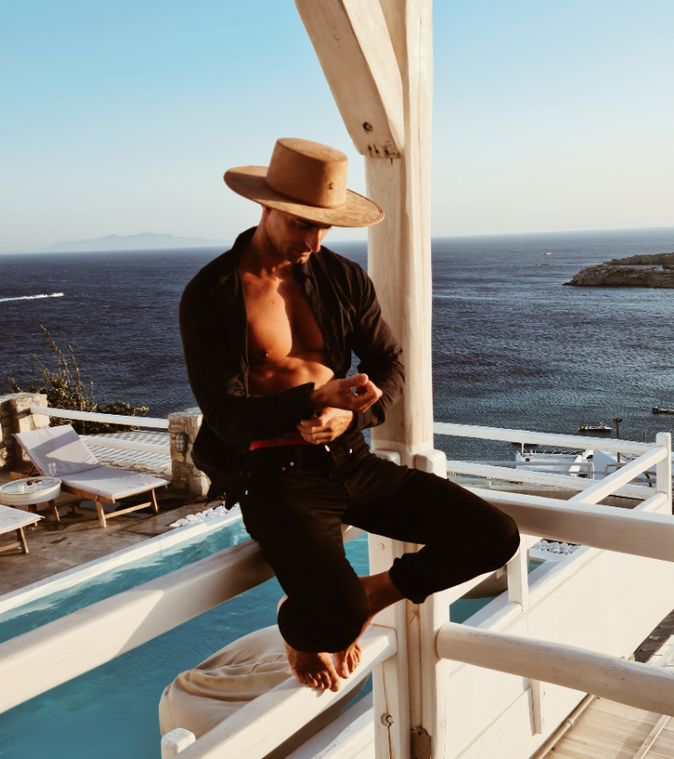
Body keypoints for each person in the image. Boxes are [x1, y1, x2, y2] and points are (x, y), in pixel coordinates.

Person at [179, 137, 519, 693]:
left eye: (325, 226)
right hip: (275, 477)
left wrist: (352, 417)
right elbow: (224, 416)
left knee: (494, 534)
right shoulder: (210, 294)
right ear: (266, 208)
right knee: (329, 620)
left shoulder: (342, 278)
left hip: (351, 458)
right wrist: (314, 400)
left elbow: (390, 362)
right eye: (301, 224)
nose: (313, 241)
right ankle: (305, 621)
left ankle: (370, 594)